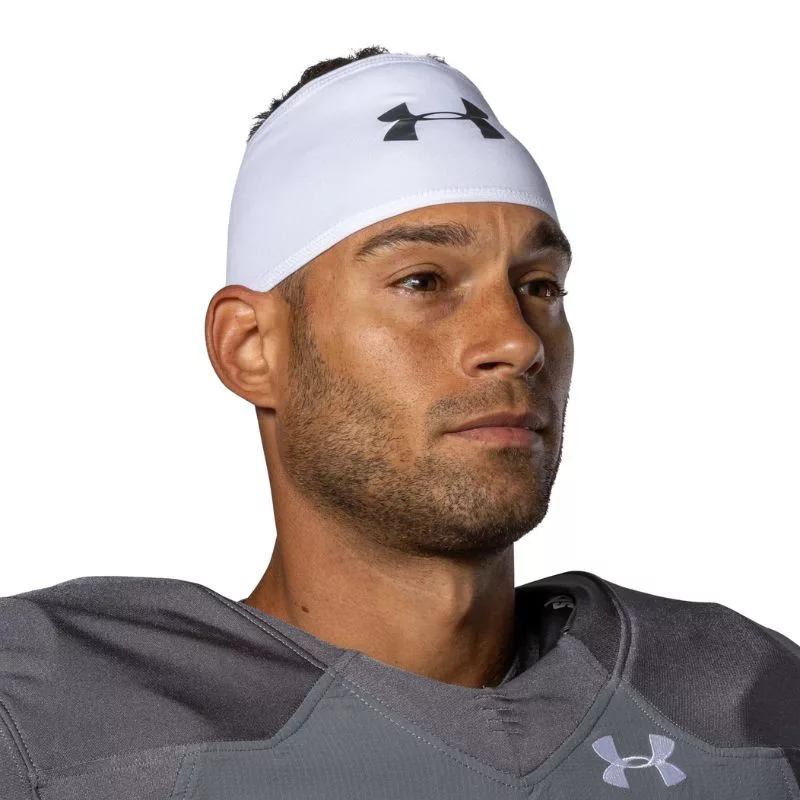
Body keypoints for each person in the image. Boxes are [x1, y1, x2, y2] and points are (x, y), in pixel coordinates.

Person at [1, 45, 798, 800]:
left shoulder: (747, 707)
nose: (517, 341)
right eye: (423, 281)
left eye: (540, 287)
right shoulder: (47, 721)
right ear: (252, 348)